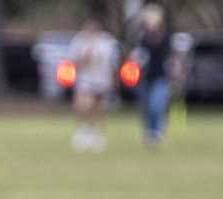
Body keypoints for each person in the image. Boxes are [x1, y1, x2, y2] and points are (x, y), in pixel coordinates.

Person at [67, 12, 119, 151]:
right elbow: (75, 63)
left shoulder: (108, 42)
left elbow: (113, 63)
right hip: (85, 80)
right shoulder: (79, 41)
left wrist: (114, 80)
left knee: (99, 108)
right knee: (83, 105)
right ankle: (82, 131)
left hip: (102, 80)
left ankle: (97, 134)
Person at [128, 6, 175, 149]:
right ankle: (149, 132)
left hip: (161, 77)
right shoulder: (141, 38)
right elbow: (135, 57)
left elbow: (172, 59)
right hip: (144, 78)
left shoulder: (165, 38)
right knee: (146, 107)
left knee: (157, 105)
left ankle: (157, 131)